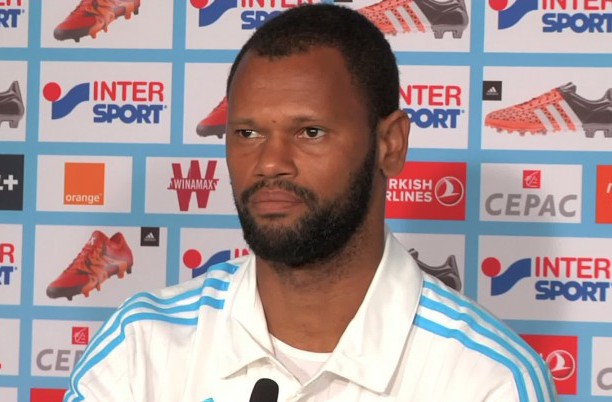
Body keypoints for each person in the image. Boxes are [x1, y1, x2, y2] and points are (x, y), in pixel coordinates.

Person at [63, 4, 557, 401]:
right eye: (248, 133)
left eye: (310, 132)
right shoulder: (140, 347)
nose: (270, 163)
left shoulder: (489, 380)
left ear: (390, 145)